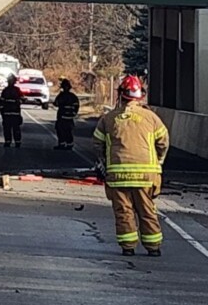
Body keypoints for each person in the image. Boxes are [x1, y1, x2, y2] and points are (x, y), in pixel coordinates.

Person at [93, 74, 169, 257]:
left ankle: (128, 247)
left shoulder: (108, 119)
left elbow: (97, 144)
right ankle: (153, 247)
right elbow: (163, 142)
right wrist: (158, 162)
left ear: (121, 94)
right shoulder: (151, 118)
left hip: (117, 176)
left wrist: (104, 162)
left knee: (123, 211)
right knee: (147, 210)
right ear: (140, 94)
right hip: (146, 176)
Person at [0, 74, 24, 147]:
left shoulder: (6, 90)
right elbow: (22, 100)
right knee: (15, 128)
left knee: (8, 128)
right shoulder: (17, 90)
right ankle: (17, 142)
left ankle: (8, 141)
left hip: (7, 113)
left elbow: (1, 101)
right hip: (14, 113)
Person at [52, 78, 80, 150]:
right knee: (68, 131)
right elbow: (77, 106)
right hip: (70, 118)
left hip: (62, 117)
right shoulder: (73, 97)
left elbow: (56, 103)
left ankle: (62, 144)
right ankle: (69, 144)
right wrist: (74, 113)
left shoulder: (61, 96)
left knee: (60, 130)